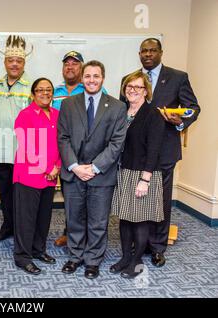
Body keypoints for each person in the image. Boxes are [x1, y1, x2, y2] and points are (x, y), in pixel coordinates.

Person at [121, 38, 200, 267]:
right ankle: (138, 242)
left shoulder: (178, 77)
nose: (148, 54)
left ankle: (156, 247)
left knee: (160, 202)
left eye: (152, 50)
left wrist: (180, 121)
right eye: (144, 51)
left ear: (161, 52)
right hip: (135, 153)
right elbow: (123, 110)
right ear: (139, 53)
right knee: (136, 200)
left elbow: (193, 108)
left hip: (164, 150)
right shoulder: (130, 79)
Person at [58, 60, 127, 279]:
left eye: (96, 76)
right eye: (87, 76)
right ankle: (75, 256)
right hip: (74, 173)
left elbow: (117, 143)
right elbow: (63, 138)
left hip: (102, 175)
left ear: (103, 78)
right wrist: (76, 167)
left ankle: (93, 260)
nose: (91, 80)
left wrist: (95, 167)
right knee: (74, 218)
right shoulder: (69, 104)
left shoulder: (117, 106)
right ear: (82, 78)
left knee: (98, 221)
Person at [110, 71, 165, 279]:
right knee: (125, 218)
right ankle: (125, 257)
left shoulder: (153, 114)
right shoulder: (122, 112)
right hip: (124, 171)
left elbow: (154, 150)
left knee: (140, 221)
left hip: (143, 175)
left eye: (138, 87)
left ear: (145, 91)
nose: (132, 90)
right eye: (129, 86)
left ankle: (136, 262)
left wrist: (145, 179)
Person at [52, 51, 107, 247]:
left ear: (82, 69)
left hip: (88, 156)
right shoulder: (54, 91)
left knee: (90, 200)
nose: (70, 67)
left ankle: (88, 238)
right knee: (70, 198)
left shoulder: (95, 91)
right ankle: (70, 233)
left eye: (75, 64)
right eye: (66, 64)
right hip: (62, 151)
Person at [0, 35, 32, 241]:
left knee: (22, 195)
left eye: (18, 61)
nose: (14, 64)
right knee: (5, 193)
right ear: (5, 62)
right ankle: (7, 226)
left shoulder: (32, 88)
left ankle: (22, 229)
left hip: (23, 152)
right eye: (11, 60)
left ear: (24, 63)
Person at [13, 78, 60, 275]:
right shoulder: (25, 115)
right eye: (40, 90)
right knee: (26, 219)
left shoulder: (58, 114)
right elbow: (27, 146)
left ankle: (39, 250)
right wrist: (46, 169)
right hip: (28, 175)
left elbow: (63, 143)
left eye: (48, 90)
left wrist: (57, 167)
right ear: (33, 94)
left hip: (51, 175)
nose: (45, 93)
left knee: (43, 217)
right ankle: (23, 257)